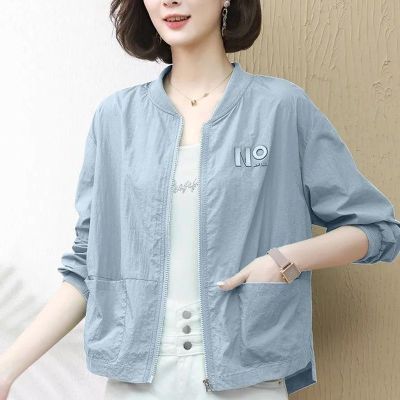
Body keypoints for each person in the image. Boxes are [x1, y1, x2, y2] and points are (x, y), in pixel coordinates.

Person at [1, 0, 400, 399]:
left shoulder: (280, 107)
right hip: (135, 382)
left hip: (247, 377)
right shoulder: (116, 118)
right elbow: (86, 269)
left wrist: (281, 261)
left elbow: (377, 229)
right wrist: (5, 371)